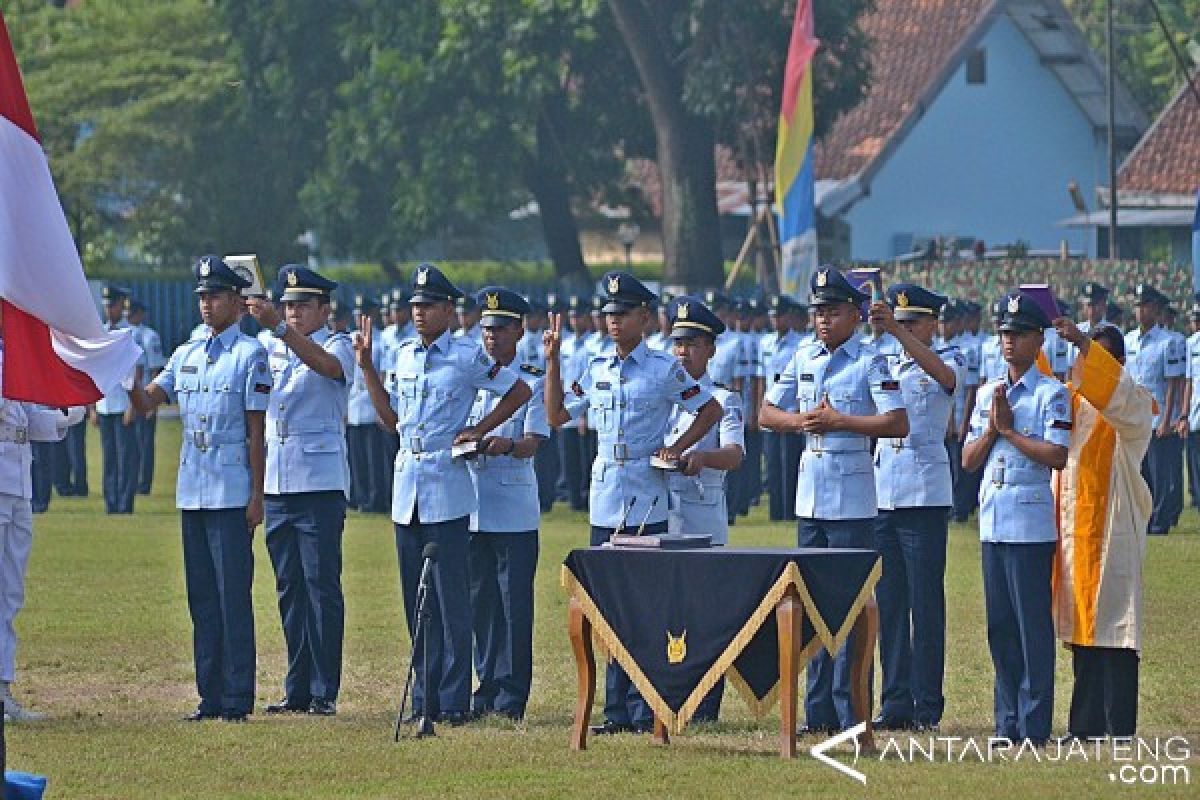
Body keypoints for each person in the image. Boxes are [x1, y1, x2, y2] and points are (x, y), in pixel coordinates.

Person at [544, 271, 722, 735]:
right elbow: (558, 415)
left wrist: (679, 447)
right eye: (608, 315)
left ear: (644, 317)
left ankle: (646, 707)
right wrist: (552, 363)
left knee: (643, 608)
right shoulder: (596, 366)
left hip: (646, 495)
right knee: (605, 607)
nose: (613, 323)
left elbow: (710, 409)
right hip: (605, 492)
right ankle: (614, 710)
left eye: (622, 315)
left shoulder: (664, 369)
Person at [354, 262, 531, 726]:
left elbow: (518, 391)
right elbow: (390, 419)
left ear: (449, 309)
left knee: (452, 599)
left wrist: (478, 427)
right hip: (406, 482)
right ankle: (424, 697)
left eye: (428, 305)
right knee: (416, 600)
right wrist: (368, 367)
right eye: (414, 305)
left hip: (447, 486)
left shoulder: (467, 356)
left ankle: (452, 700)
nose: (419, 312)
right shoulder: (403, 354)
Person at [760, 266, 908, 735]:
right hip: (811, 493)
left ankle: (851, 711)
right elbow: (765, 412)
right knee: (808, 603)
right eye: (818, 311)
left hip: (852, 496)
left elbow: (897, 423)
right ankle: (816, 709)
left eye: (834, 311)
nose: (824, 319)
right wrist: (800, 422)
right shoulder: (803, 355)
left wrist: (842, 420)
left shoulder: (870, 361)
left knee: (847, 607)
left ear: (855, 315)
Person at [128, 256, 269, 722]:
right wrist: (126, 377)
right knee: (202, 596)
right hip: (193, 485)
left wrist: (256, 494)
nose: (206, 305)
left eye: (215, 296)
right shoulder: (186, 352)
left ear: (234, 300)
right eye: (202, 297)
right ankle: (209, 694)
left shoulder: (250, 354)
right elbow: (150, 401)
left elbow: (256, 429)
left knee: (233, 595)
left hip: (231, 487)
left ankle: (236, 697)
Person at [245, 266, 356, 717]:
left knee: (320, 586)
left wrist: (278, 329)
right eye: (287, 306)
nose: (292, 313)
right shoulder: (269, 347)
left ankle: (323, 688)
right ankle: (297, 687)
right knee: (289, 588)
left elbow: (328, 369)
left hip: (319, 482)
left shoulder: (338, 343)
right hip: (278, 481)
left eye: (302, 306)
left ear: (324, 310)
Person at [961, 291, 1071, 746]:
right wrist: (991, 429)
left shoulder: (1053, 393)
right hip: (994, 520)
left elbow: (1058, 455)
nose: (1009, 342)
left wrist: (1010, 431)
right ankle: (1006, 722)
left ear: (1038, 340)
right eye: (1004, 333)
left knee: (1031, 628)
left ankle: (1035, 723)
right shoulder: (989, 392)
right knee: (1000, 627)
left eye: (1020, 333)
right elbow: (968, 461)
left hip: (1029, 521)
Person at [1051, 319, 1153, 741]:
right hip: (1076, 531)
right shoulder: (1070, 404)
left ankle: (1119, 727)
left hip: (1114, 531)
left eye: (1104, 355)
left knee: (1116, 629)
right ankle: (1085, 726)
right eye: (1087, 353)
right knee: (1084, 634)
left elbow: (1115, 393)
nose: (1092, 360)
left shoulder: (1133, 404)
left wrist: (1081, 341)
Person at [868, 284, 963, 732]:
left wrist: (899, 336)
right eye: (899, 322)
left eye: (912, 323)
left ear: (931, 324)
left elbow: (946, 379)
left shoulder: (952, 355)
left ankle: (927, 704)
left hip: (924, 495)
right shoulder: (881, 359)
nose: (903, 330)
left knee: (925, 607)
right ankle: (895, 702)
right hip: (884, 491)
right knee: (889, 606)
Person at [464, 287, 548, 721]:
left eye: (499, 328)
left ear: (519, 329)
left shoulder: (533, 379)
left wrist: (506, 444)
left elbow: (534, 442)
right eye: (485, 329)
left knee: (514, 606)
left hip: (513, 507)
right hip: (474, 504)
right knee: (481, 605)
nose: (491, 337)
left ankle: (513, 693)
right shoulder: (473, 376)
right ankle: (487, 685)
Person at [662, 296, 745, 723]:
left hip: (701, 513)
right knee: (663, 610)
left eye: (692, 343)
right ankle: (664, 699)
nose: (682, 352)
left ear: (711, 348)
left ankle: (705, 704)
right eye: (677, 343)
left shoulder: (724, 399)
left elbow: (734, 453)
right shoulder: (662, 393)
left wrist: (702, 458)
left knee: (704, 613)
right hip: (660, 513)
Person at [0, 302, 84, 721]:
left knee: (10, 591)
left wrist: (68, 413)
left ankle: (3, 690)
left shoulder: (14, 358)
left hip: (16, 482)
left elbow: (28, 419)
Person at [1124, 283, 1184, 535]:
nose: (1140, 311)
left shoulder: (1168, 342)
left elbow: (1172, 385)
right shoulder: (1128, 340)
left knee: (1160, 475)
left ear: (1156, 310)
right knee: (1140, 473)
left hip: (1158, 416)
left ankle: (1159, 521)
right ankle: (1144, 519)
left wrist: (1167, 419)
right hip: (1136, 417)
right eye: (1137, 306)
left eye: (1145, 306)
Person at [92, 285, 141, 514]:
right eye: (106, 305)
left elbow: (137, 370)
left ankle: (125, 503)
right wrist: (92, 407)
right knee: (109, 457)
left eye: (112, 305)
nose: (108, 310)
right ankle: (111, 503)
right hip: (105, 404)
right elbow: (93, 372)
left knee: (126, 457)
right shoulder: (99, 332)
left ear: (122, 306)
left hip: (123, 404)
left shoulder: (130, 333)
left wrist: (134, 404)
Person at [760, 296, 806, 522]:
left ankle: (790, 511)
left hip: (790, 412)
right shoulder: (765, 343)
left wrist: (798, 412)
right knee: (773, 466)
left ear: (788, 317)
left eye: (780, 316)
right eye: (773, 316)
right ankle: (776, 512)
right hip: (771, 411)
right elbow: (762, 379)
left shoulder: (800, 343)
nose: (776, 321)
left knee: (790, 464)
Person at [557, 296, 595, 511]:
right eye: (572, 316)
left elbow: (587, 384)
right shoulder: (567, 343)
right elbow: (561, 377)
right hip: (566, 406)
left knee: (585, 458)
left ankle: (584, 496)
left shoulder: (591, 345)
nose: (575, 320)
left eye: (579, 316)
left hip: (583, 408)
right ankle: (572, 499)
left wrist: (584, 414)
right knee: (568, 457)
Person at [127, 300, 165, 495]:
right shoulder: (123, 333)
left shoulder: (149, 336)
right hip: (126, 400)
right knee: (131, 444)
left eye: (133, 313)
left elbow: (156, 370)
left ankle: (144, 483)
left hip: (146, 396)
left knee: (145, 442)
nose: (130, 316)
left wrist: (154, 403)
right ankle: (132, 480)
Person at [1182, 303, 1200, 510]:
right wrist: (1184, 414)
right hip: (1196, 408)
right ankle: (1197, 497)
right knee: (1194, 458)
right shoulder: (1191, 344)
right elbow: (1188, 381)